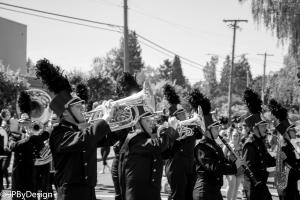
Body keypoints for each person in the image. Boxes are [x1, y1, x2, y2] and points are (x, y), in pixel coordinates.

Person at [36, 58, 117, 200]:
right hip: (70, 194)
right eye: (78, 107)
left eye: (82, 106)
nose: (83, 109)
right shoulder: (58, 134)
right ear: (66, 112)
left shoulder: (81, 130)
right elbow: (85, 139)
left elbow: (109, 139)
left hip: (89, 192)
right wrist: (104, 119)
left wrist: (118, 118)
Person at [119, 106, 180, 200]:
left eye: (151, 120)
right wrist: (171, 129)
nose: (152, 123)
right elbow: (159, 145)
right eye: (147, 121)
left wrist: (177, 137)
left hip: (152, 193)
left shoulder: (148, 138)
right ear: (137, 123)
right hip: (138, 195)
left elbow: (165, 154)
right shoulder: (134, 139)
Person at [192, 88, 243, 200]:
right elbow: (215, 167)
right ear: (207, 130)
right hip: (204, 192)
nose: (218, 130)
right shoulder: (201, 147)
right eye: (215, 128)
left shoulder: (214, 144)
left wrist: (233, 161)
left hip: (214, 191)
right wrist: (234, 167)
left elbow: (222, 161)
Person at [9, 91, 52, 200]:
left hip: (34, 176)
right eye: (23, 122)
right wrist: (28, 138)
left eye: (28, 122)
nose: (26, 124)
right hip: (20, 176)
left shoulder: (36, 135)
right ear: (20, 123)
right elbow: (12, 146)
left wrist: (46, 131)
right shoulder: (15, 134)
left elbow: (46, 152)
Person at [162, 84, 200, 200]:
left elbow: (200, 134)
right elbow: (166, 149)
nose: (185, 114)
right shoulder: (166, 129)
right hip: (176, 166)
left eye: (183, 112)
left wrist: (197, 123)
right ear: (175, 117)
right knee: (177, 196)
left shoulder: (191, 126)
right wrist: (176, 131)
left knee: (189, 196)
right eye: (181, 113)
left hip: (190, 164)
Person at [111, 72, 141, 200]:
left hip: (127, 159)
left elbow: (112, 137)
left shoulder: (120, 106)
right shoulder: (121, 107)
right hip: (129, 158)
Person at [242, 88, 276, 200]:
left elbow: (268, 160)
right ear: (255, 128)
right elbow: (249, 169)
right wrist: (270, 174)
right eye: (263, 126)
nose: (265, 128)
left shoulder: (260, 142)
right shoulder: (250, 144)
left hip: (261, 186)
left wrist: (280, 159)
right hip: (253, 187)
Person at [268, 98, 300, 200]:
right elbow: (289, 170)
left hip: (291, 187)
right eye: (291, 129)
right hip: (286, 189)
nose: (294, 131)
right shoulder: (284, 147)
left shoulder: (289, 146)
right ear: (286, 132)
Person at [223, 129, 244, 200]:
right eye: (233, 135)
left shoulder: (242, 146)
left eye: (237, 136)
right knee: (232, 184)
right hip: (230, 169)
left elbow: (244, 158)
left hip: (239, 169)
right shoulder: (227, 146)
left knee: (236, 187)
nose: (235, 137)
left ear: (239, 137)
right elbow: (222, 157)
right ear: (231, 136)